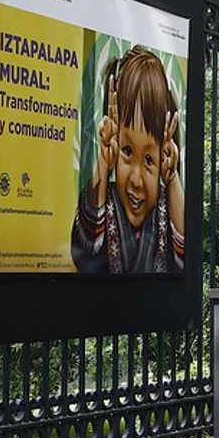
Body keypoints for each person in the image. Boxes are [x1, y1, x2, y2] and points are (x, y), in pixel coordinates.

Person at [72, 46, 185, 274]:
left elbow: (184, 254)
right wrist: (104, 163)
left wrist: (172, 179)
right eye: (126, 150)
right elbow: (84, 248)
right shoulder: (106, 201)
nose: (136, 179)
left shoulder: (166, 208)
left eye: (149, 160)